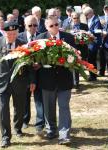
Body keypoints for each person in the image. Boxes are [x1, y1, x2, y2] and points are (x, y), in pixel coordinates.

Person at [0, 21, 36, 148]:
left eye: (14, 34)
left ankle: (17, 128)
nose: (12, 36)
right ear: (5, 33)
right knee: (3, 108)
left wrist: (32, 80)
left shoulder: (23, 44)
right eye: (9, 34)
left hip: (19, 82)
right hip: (1, 82)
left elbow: (29, 64)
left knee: (19, 108)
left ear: (17, 33)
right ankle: (5, 137)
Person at [36, 16, 76, 145]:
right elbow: (36, 59)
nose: (54, 27)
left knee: (64, 107)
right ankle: (51, 130)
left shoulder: (68, 37)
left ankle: (64, 135)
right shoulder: (40, 38)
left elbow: (76, 56)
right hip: (47, 80)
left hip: (64, 79)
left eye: (56, 24)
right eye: (51, 25)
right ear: (46, 27)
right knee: (49, 108)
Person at [18, 15, 45, 134]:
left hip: (39, 73)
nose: (33, 27)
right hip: (24, 73)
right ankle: (25, 120)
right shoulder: (19, 38)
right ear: (25, 25)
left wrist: (41, 64)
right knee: (25, 98)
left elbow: (47, 55)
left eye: (35, 25)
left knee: (39, 98)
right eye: (30, 25)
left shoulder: (42, 37)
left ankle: (40, 123)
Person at [83, 7, 102, 81]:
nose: (86, 16)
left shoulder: (97, 20)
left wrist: (89, 32)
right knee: (90, 59)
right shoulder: (88, 19)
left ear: (91, 13)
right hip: (89, 42)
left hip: (94, 42)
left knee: (92, 59)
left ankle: (93, 76)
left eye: (86, 14)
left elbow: (98, 30)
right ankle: (92, 75)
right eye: (85, 15)